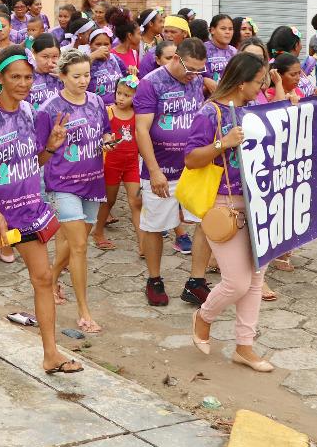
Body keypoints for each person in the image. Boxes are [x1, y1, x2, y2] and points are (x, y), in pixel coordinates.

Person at [0, 45, 84, 374]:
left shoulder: (30, 112)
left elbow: (32, 161)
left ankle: (50, 353)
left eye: (28, 77)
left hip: (28, 209)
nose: (23, 83)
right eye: (15, 77)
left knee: (43, 278)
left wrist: (51, 148)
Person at [188, 52, 276, 372]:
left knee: (255, 279)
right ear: (242, 84)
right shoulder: (209, 113)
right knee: (236, 282)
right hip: (224, 205)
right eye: (259, 82)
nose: (261, 88)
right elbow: (191, 159)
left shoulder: (252, 111)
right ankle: (203, 317)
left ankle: (244, 346)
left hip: (256, 202)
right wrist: (222, 143)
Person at [135, 37, 211, 306]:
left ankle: (196, 281)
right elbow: (141, 129)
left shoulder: (197, 79)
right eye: (190, 69)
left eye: (199, 71)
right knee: (155, 226)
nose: (194, 76)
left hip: (193, 167)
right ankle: (154, 279)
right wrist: (154, 171)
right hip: (162, 168)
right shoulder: (151, 83)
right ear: (176, 59)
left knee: (206, 221)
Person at [40, 48, 110, 334]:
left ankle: (51, 278)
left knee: (76, 241)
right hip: (61, 183)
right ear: (62, 76)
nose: (84, 81)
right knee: (80, 246)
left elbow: (105, 130)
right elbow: (40, 152)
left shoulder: (96, 101)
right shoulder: (49, 109)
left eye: (87, 75)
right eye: (77, 76)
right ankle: (83, 311)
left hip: (93, 180)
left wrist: (108, 141)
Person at [94, 73, 142, 254]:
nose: (121, 98)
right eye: (119, 93)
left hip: (132, 164)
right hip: (111, 164)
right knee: (109, 201)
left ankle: (143, 243)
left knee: (136, 201)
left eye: (127, 95)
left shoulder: (138, 114)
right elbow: (99, 133)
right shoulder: (108, 112)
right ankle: (98, 232)